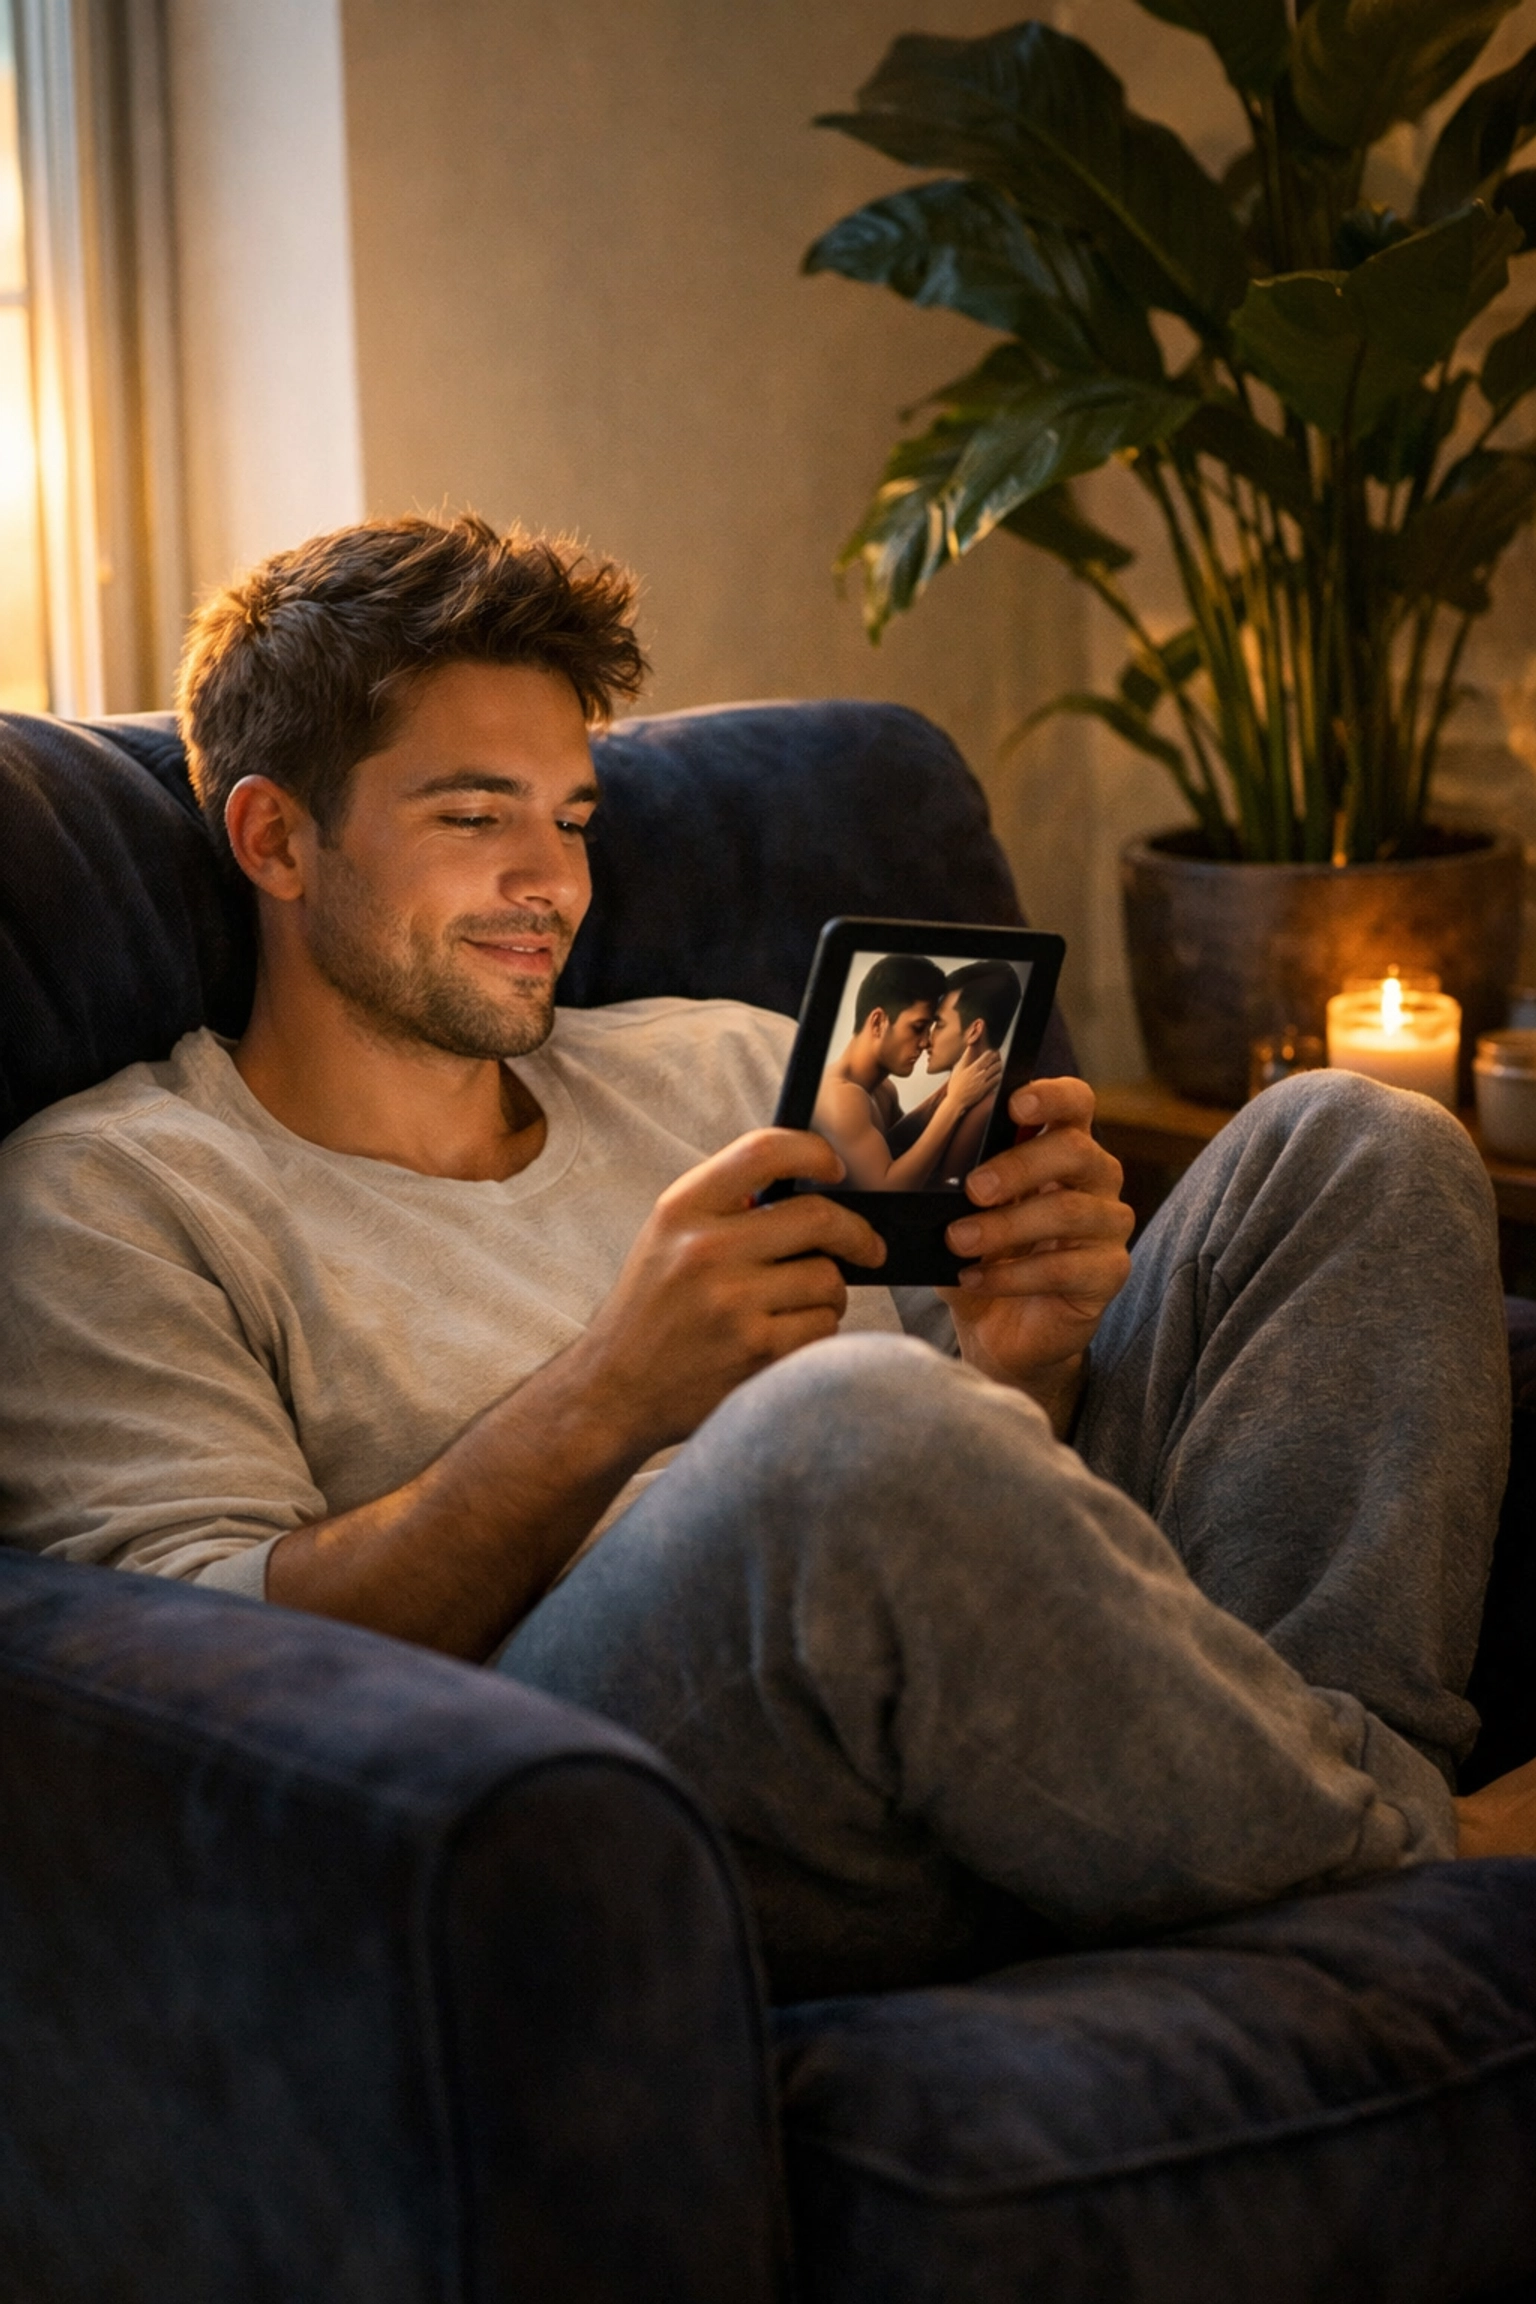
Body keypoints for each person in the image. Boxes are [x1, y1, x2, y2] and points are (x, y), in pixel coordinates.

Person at [0, 514, 1516, 2000]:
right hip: (623, 1780)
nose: (555, 885)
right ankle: (1410, 1866)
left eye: (573, 819)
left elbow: (974, 1464)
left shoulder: (724, 1070)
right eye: (477, 818)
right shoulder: (118, 1194)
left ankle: (1312, 1822)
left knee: (1354, 1137)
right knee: (845, 1423)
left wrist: (1021, 1355)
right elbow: (207, 1674)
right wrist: (613, 1390)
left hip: (1005, 1683)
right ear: (274, 834)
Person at [810, 953, 1002, 1189]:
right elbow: (888, 1189)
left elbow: (906, 1148)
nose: (924, 1043)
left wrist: (956, 1087)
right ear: (879, 1022)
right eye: (918, 1028)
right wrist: (955, 1102)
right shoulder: (841, 1098)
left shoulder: (883, 1090)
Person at [884, 959, 1024, 1188]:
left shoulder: (983, 1111)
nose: (927, 1040)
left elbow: (944, 1192)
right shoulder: (953, 1095)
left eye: (938, 1025)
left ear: (974, 1030)